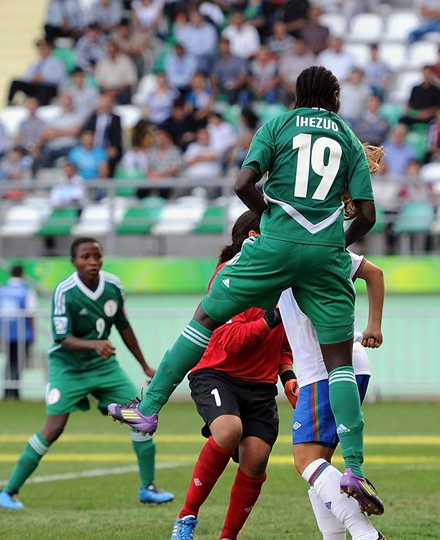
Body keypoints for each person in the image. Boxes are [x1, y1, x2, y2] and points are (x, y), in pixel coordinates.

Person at [108, 66, 385, 515]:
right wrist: (330, 246)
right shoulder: (350, 139)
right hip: (325, 253)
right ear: (334, 97)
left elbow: (242, 185)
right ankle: (353, 467)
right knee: (340, 365)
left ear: (297, 95)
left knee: (205, 317)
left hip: (273, 247)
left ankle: (149, 406)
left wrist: (274, 221)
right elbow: (367, 216)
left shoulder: (276, 126)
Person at [0, 238, 174, 510]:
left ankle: (148, 488)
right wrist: (94, 344)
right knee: (53, 428)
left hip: (103, 367)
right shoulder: (65, 291)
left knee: (142, 415)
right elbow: (62, 337)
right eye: (85, 257)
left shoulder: (113, 286)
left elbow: (124, 326)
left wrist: (144, 365)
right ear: (73, 261)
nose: (92, 262)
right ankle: (8, 492)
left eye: (97, 256)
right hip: (68, 367)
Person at [170, 212, 297, 540]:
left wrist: (289, 377)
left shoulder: (283, 277)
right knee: (228, 430)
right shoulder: (230, 274)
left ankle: (228, 537)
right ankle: (186, 517)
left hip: (261, 386)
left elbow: (283, 343)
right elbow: (228, 339)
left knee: (256, 459)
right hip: (216, 373)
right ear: (255, 235)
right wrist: (271, 319)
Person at [284, 248, 386, 540]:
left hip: (323, 369)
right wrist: (374, 327)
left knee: (306, 460)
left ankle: (366, 534)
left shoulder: (278, 253)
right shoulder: (324, 245)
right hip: (354, 361)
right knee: (320, 468)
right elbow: (375, 273)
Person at [0, 265, 37, 400]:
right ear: (22, 274)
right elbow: (31, 313)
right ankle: (16, 391)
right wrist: (33, 331)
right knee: (20, 361)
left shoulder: (1, 290)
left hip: (6, 332)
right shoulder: (26, 291)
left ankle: (7, 391)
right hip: (23, 333)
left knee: (9, 361)